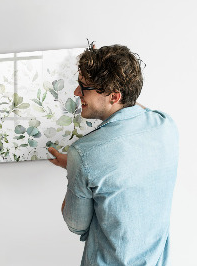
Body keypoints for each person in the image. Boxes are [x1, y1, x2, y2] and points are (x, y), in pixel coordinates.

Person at [48, 44, 178, 265]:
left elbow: (76, 225)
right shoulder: (166, 125)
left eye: (84, 86)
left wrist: (75, 169)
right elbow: (132, 107)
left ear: (114, 96)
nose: (76, 92)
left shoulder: (84, 153)